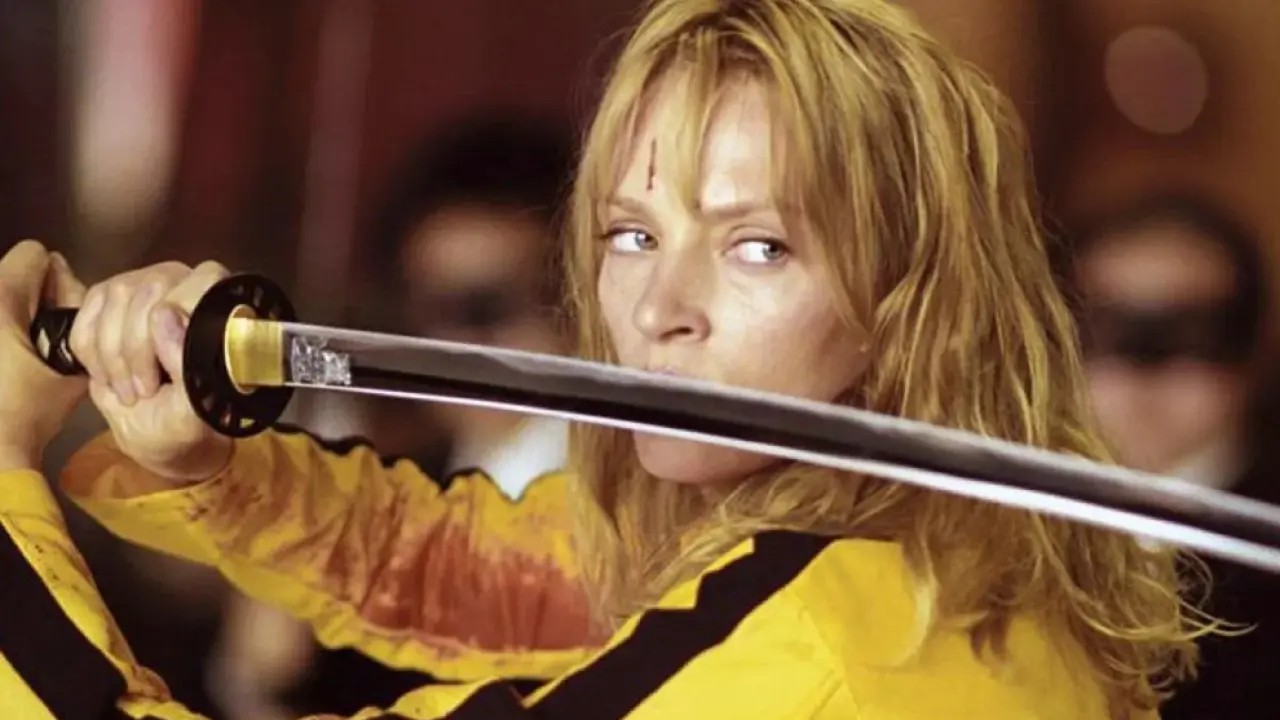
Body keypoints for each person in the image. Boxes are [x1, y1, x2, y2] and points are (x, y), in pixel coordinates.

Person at [0, 1, 1217, 718]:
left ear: (908, 306)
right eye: (632, 234)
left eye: (756, 246)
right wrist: (207, 467)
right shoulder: (896, 545)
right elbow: (475, 577)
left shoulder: (815, 647)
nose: (657, 308)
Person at [1070, 194, 1278, 719]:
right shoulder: (1008, 533)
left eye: (1192, 334)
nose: (1143, 371)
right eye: (1110, 329)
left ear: (1253, 349)